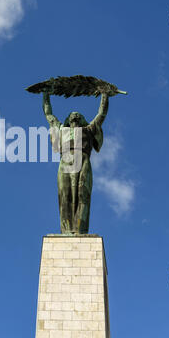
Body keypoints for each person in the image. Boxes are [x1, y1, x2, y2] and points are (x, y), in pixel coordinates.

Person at [42, 91, 109, 233]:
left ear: (82, 119)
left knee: (81, 194)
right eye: (72, 114)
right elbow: (49, 115)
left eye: (78, 114)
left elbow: (101, 115)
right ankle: (66, 231)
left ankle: (80, 230)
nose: (75, 114)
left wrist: (105, 94)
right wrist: (46, 94)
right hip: (65, 161)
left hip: (83, 159)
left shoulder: (88, 129)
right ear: (68, 119)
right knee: (65, 195)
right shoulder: (61, 129)